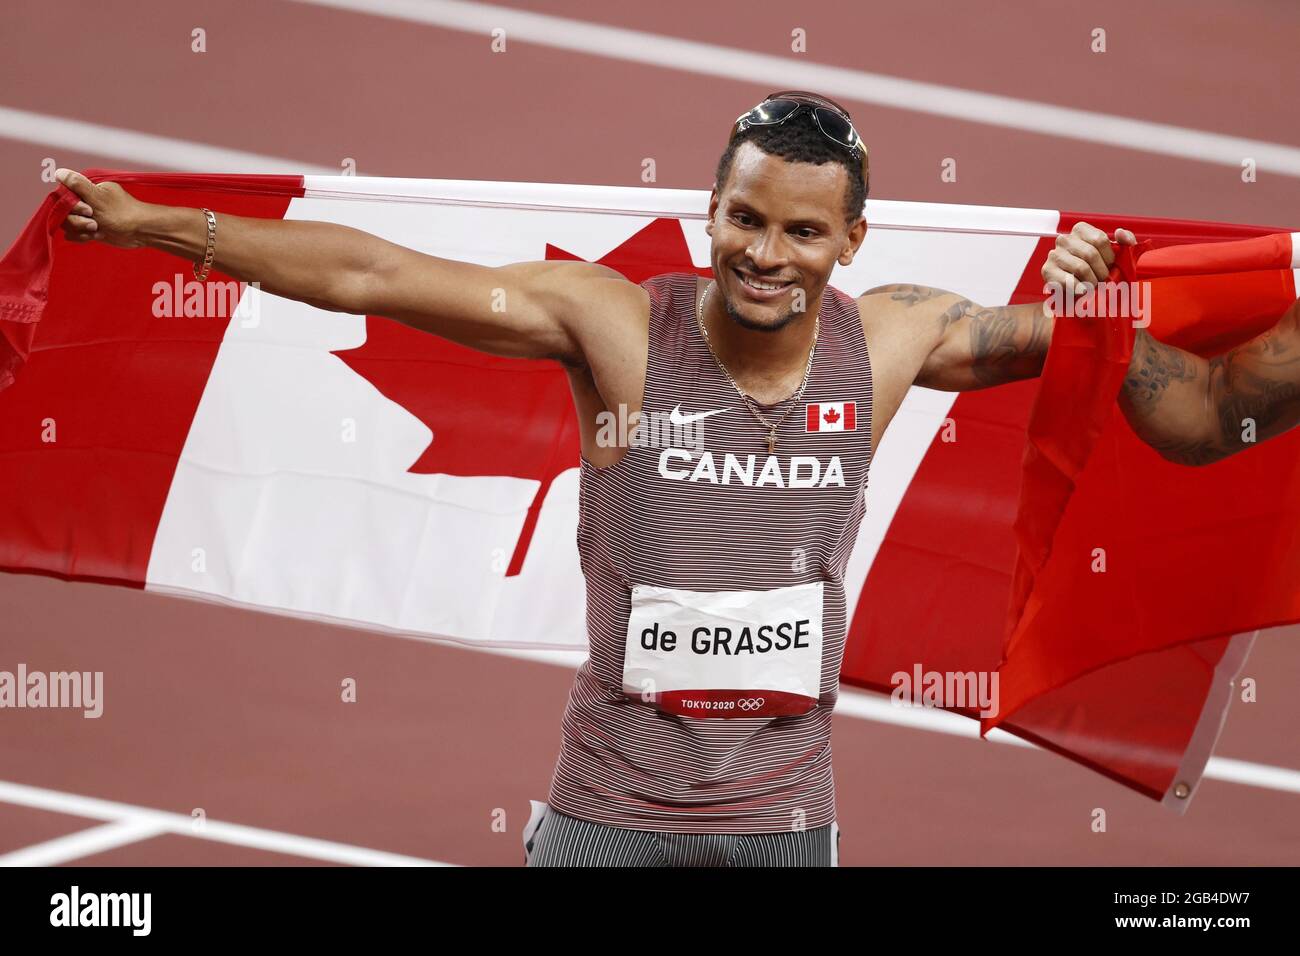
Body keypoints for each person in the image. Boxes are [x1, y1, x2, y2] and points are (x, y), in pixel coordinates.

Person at [53, 89, 1298, 867]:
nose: (766, 254)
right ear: (712, 207)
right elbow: (373, 275)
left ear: (850, 241)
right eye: (745, 220)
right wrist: (161, 226)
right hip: (604, 825)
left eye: (803, 231)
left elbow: (1194, 402)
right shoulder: (611, 328)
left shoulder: (898, 340)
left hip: (781, 835)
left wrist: (1098, 295)